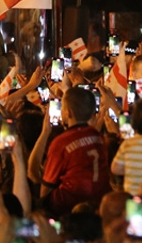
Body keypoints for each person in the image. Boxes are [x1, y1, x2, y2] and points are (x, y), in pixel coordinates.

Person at [39, 86, 109, 216]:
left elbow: (47, 185)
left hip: (69, 204)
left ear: (68, 113)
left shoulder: (61, 142)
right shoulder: (99, 137)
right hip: (99, 201)